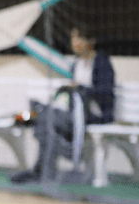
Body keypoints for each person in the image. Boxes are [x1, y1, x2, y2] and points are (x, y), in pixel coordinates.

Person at [11, 25, 116, 184]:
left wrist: (81, 89)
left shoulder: (102, 61)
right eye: (73, 38)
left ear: (91, 41)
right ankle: (41, 169)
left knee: (47, 120)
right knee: (47, 120)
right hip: (73, 112)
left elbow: (106, 91)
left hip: (94, 112)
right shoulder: (77, 63)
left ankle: (42, 170)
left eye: (78, 38)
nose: (74, 42)